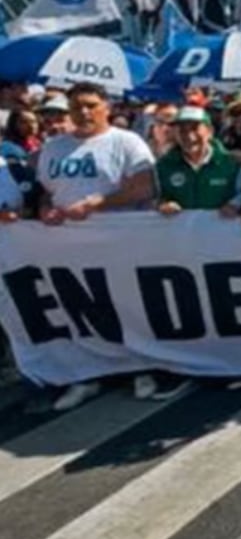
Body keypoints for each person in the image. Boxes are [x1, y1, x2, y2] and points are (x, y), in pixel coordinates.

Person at [35, 82, 161, 409]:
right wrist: (45, 210)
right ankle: (87, 375)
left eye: (91, 105)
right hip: (67, 246)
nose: (84, 112)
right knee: (78, 310)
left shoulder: (126, 142)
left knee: (127, 306)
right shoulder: (54, 147)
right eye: (77, 106)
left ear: (107, 106)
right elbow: (47, 192)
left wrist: (98, 203)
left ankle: (142, 368)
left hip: (119, 242)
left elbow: (145, 187)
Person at [155, 106, 241, 216]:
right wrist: (163, 205)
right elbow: (155, 197)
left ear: (210, 131)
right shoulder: (164, 166)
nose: (189, 136)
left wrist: (234, 205)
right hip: (179, 231)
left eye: (195, 128)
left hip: (221, 231)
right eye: (182, 130)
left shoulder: (231, 164)